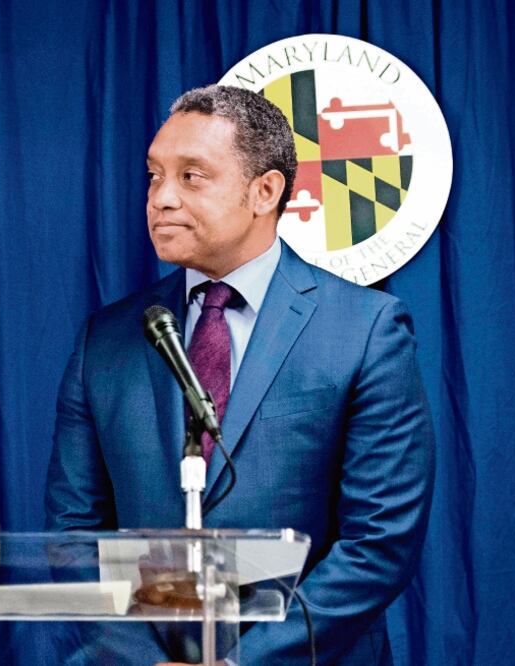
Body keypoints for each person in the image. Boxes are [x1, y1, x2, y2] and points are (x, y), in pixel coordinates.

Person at [45, 85, 435, 665]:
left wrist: (239, 664)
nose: (161, 198)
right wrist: (145, 660)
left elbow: (379, 543)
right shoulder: (107, 338)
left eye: (191, 176)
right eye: (154, 176)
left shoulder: (365, 330)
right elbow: (74, 533)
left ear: (266, 191)